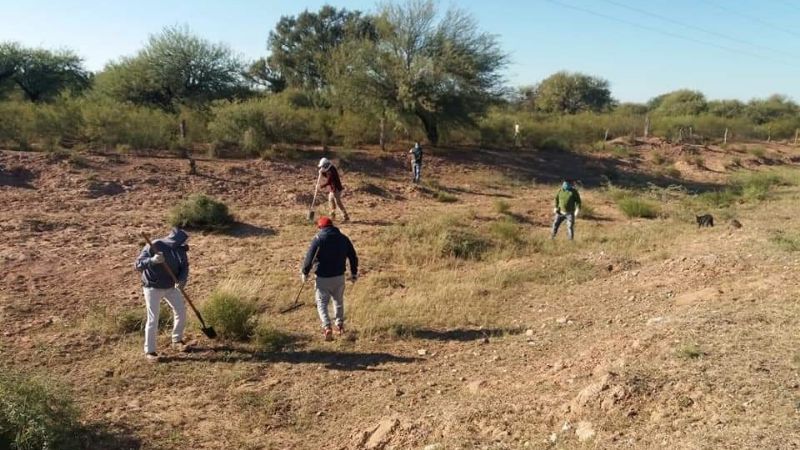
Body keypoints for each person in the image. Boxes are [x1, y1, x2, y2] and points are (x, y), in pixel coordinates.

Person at [134, 228, 190, 362]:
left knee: (181, 312)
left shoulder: (180, 249)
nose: (183, 244)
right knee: (153, 319)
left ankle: (177, 340)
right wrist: (152, 260)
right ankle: (150, 351)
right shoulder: (155, 245)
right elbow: (138, 265)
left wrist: (182, 280)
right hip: (152, 287)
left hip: (171, 286)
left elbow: (184, 266)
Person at [301, 216, 358, 341]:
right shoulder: (343, 238)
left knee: (321, 303)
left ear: (320, 227)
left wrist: (305, 272)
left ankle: (327, 327)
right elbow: (353, 256)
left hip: (323, 277)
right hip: (339, 276)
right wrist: (353, 273)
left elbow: (309, 257)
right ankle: (339, 325)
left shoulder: (318, 239)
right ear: (332, 226)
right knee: (338, 301)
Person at [318, 157, 350, 222]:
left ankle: (345, 216)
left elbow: (329, 181)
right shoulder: (329, 169)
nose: (322, 167)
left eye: (323, 166)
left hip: (336, 189)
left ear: (326, 165)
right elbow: (327, 176)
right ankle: (333, 216)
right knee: (331, 201)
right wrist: (322, 173)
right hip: (333, 189)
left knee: (338, 202)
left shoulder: (331, 170)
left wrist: (321, 186)